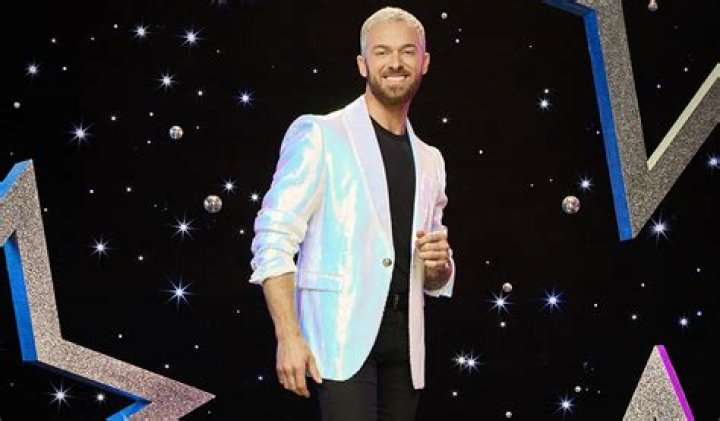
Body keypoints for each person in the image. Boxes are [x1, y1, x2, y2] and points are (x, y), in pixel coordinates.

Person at [249, 6, 455, 420]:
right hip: (338, 337)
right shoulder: (320, 133)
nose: (395, 63)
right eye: (381, 52)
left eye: (407, 52)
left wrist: (440, 267)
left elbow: (431, 269)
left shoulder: (430, 159)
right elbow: (273, 236)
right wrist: (288, 335)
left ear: (424, 62)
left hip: (405, 344)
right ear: (363, 64)